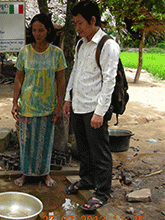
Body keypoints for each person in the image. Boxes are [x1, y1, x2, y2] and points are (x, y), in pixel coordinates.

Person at [62, 0, 120, 211]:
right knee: (83, 149)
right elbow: (75, 73)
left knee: (100, 152)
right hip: (78, 105)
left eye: (80, 23)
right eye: (75, 23)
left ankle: (102, 192)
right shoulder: (80, 44)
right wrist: (68, 99)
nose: (77, 27)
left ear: (93, 20)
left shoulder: (108, 45)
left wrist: (99, 113)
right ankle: (86, 180)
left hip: (95, 110)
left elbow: (109, 82)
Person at [11, 13, 67, 188]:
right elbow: (19, 78)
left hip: (47, 107)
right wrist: (14, 102)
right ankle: (25, 174)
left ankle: (46, 174)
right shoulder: (24, 52)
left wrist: (58, 106)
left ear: (48, 30)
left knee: (45, 142)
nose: (37, 33)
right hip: (27, 105)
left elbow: (61, 81)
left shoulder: (56, 53)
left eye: (41, 30)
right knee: (25, 142)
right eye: (34, 30)